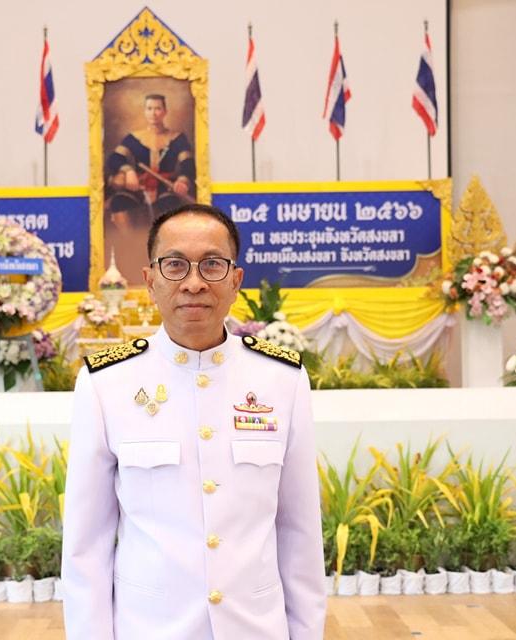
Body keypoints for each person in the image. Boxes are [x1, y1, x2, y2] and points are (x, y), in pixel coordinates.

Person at [62, 204, 326, 639]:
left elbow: (300, 534)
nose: (194, 282)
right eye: (175, 265)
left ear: (236, 280)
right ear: (150, 280)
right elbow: (85, 547)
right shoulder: (107, 383)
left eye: (212, 264)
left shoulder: (282, 379)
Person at [105, 94, 196, 229]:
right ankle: (129, 240)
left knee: (170, 205)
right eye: (149, 108)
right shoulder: (133, 137)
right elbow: (114, 158)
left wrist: (182, 181)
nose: (153, 113)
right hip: (139, 187)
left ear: (165, 112)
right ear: (145, 111)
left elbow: (188, 164)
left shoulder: (177, 138)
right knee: (119, 202)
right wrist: (128, 171)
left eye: (158, 109)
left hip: (165, 187)